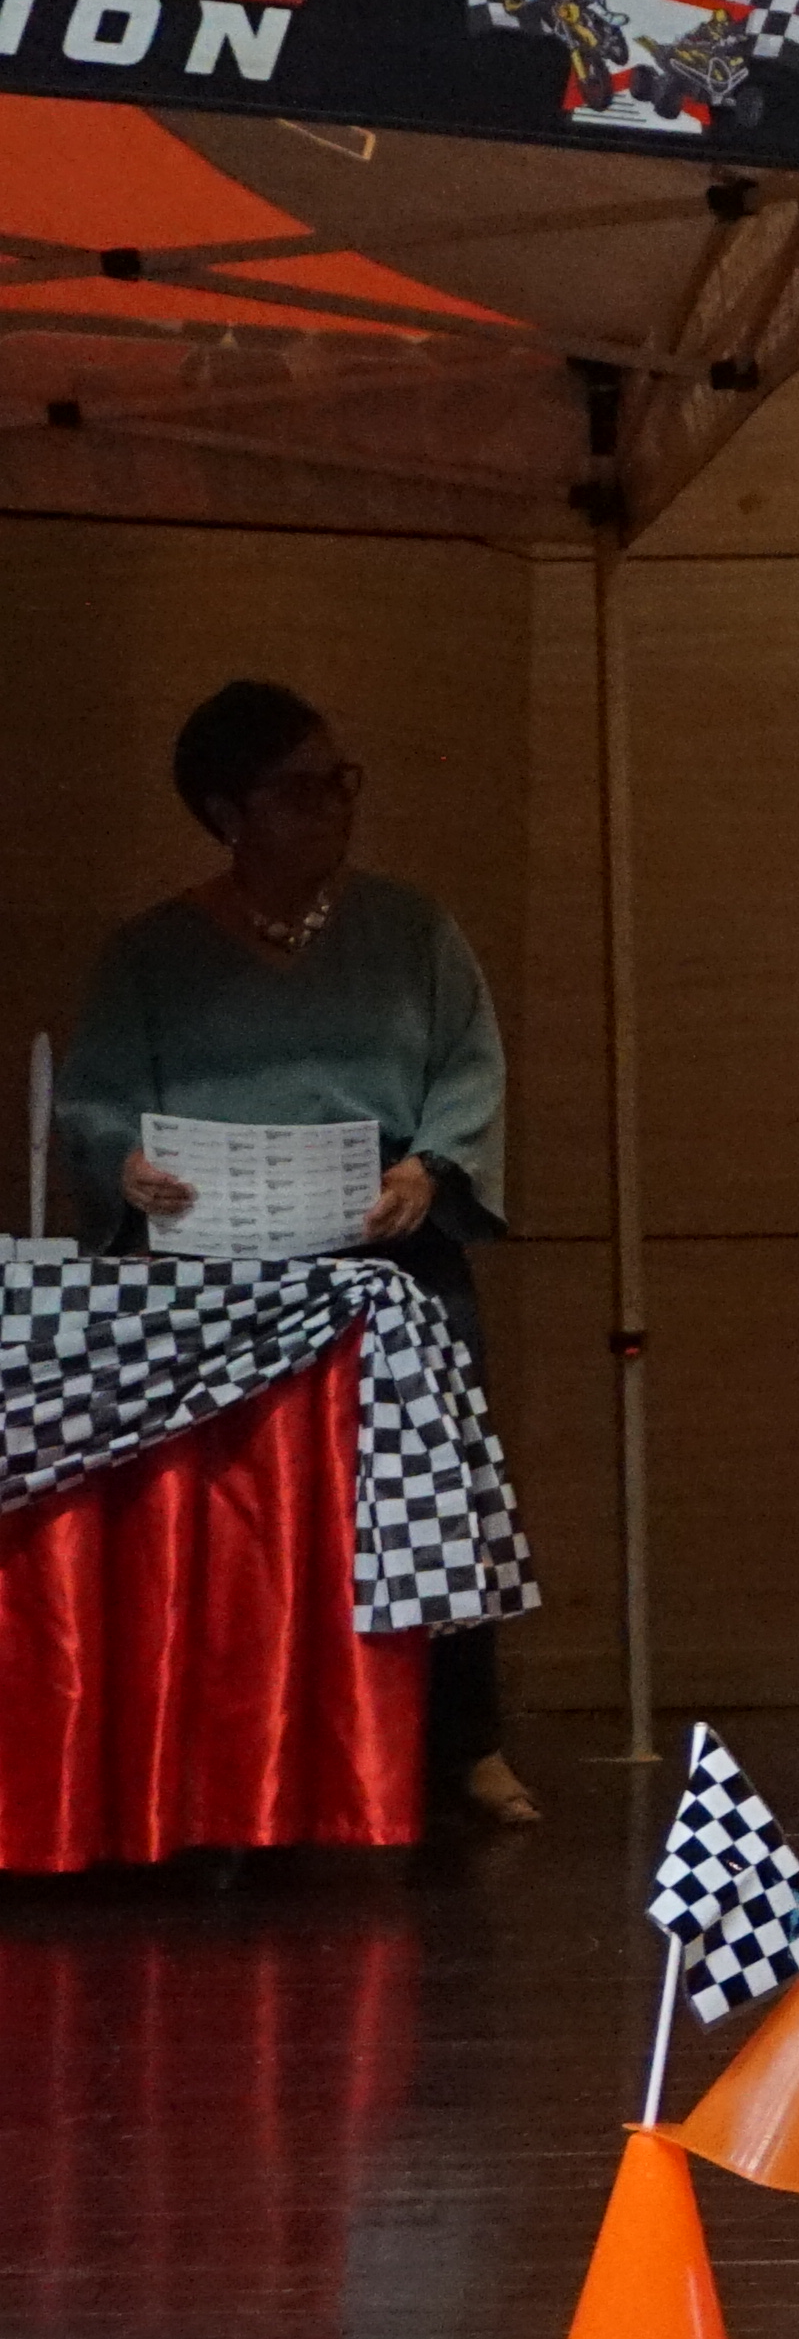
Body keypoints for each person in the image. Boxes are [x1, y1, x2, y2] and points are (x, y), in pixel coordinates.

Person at [59, 680, 535, 1822]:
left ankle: (463, 1743)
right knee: (206, 1499)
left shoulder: (412, 930)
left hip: (381, 1253)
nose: (331, 807)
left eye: (340, 781)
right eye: (297, 790)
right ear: (228, 814)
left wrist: (430, 1167)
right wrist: (123, 1164)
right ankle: (211, 1757)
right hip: (211, 1270)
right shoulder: (151, 953)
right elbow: (91, 1104)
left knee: (440, 1480)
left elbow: (471, 1073)